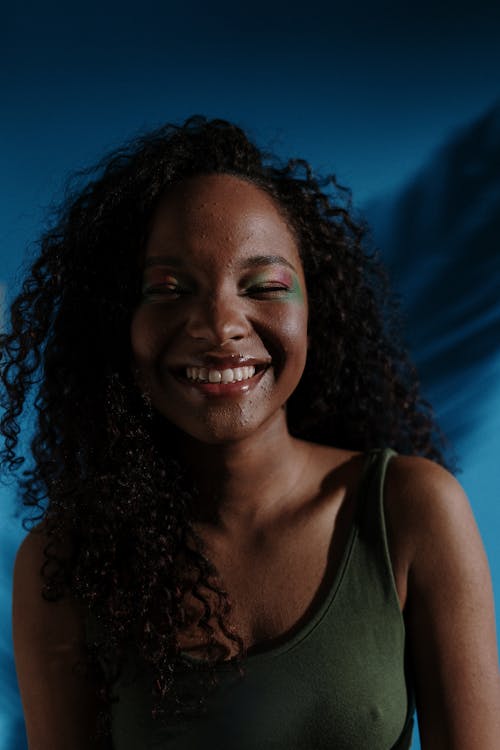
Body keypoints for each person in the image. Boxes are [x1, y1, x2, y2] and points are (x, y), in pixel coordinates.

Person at [2, 116, 499, 750]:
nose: (219, 324)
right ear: (116, 324)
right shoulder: (67, 565)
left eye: (262, 286)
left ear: (314, 310)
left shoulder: (409, 509)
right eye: (169, 289)